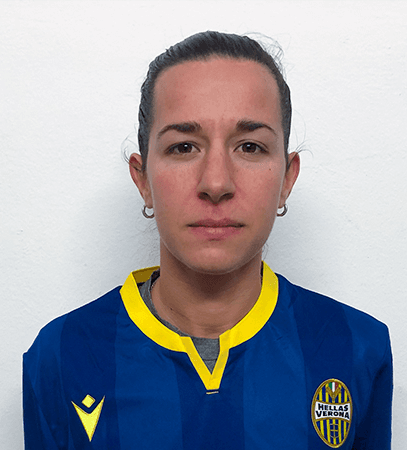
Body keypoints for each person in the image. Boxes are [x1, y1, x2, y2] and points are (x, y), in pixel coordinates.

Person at [23, 31, 392, 449]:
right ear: (143, 179)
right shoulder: (62, 354)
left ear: (287, 179)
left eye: (250, 146)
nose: (216, 183)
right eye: (184, 147)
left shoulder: (357, 346)